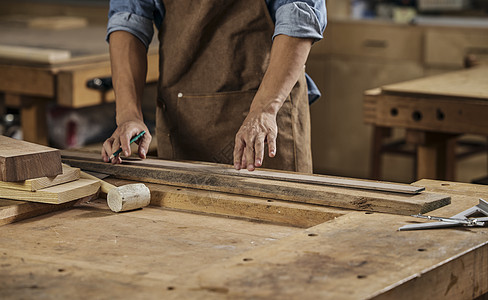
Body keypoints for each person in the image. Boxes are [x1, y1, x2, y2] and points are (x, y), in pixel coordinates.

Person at [101, 0, 327, 173]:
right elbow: (128, 19)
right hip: (184, 119)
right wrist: (129, 115)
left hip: (267, 116)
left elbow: (299, 15)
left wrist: (265, 108)